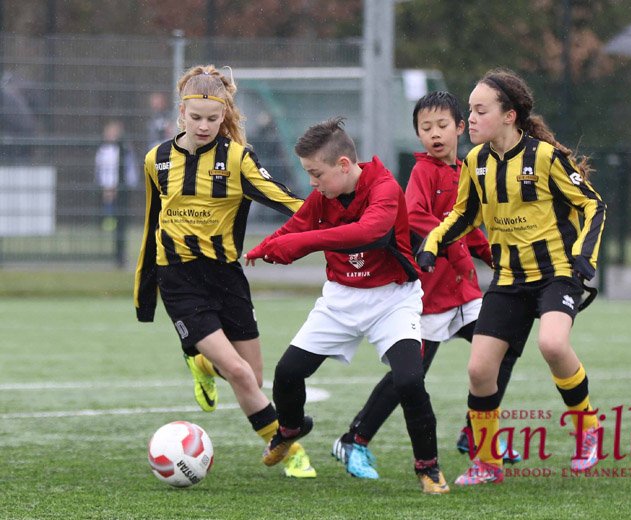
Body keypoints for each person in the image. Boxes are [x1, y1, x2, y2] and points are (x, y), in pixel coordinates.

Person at [417, 68, 606, 485]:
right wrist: (433, 243)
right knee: (479, 370)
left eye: (480, 110)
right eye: (470, 110)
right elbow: (464, 215)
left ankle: (588, 428)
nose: (470, 118)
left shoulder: (545, 157)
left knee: (552, 344)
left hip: (557, 272)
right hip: (509, 278)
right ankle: (487, 462)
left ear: (509, 116)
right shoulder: (475, 162)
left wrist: (584, 255)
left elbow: (593, 204)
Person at [244, 117, 449, 495]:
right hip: (341, 299)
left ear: (342, 165)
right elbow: (296, 228)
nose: (312, 183)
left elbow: (367, 233)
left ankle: (428, 467)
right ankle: (289, 430)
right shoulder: (323, 197)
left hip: (392, 299)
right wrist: (266, 247)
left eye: (315, 173)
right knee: (288, 373)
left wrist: (303, 244)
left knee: (409, 380)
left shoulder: (385, 188)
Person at [133, 64, 316, 479]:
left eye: (212, 118)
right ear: (181, 113)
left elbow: (287, 201)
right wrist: (145, 295)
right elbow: (150, 226)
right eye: (196, 117)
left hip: (226, 278)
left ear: (225, 115)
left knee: (251, 378)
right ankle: (289, 449)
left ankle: (201, 365)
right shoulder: (156, 160)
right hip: (178, 279)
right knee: (237, 371)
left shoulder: (237, 159)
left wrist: (340, 222)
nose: (203, 126)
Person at [330, 91, 521, 480]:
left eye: (442, 125)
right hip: (430, 294)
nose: (434, 134)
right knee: (409, 376)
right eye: (425, 127)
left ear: (460, 128)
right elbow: (416, 215)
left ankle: (476, 431)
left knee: (502, 348)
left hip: (464, 291)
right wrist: (450, 241)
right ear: (417, 134)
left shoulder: (468, 169)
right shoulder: (423, 172)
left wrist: (494, 257)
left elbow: (469, 225)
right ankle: (354, 439)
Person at [95, 119, 138, 232]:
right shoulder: (103, 150)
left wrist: (131, 180)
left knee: (120, 203)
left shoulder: (125, 149)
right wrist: (102, 181)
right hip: (108, 181)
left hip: (121, 181)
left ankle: (120, 223)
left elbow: (130, 166)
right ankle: (109, 221)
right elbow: (100, 167)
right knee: (108, 201)